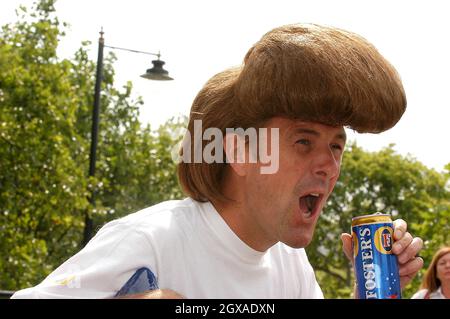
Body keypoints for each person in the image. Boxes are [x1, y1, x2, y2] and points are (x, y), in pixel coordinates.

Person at [12, 23, 423, 299]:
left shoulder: (290, 263)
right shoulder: (151, 242)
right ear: (241, 151)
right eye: (303, 141)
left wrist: (367, 288)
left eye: (336, 146)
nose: (329, 167)